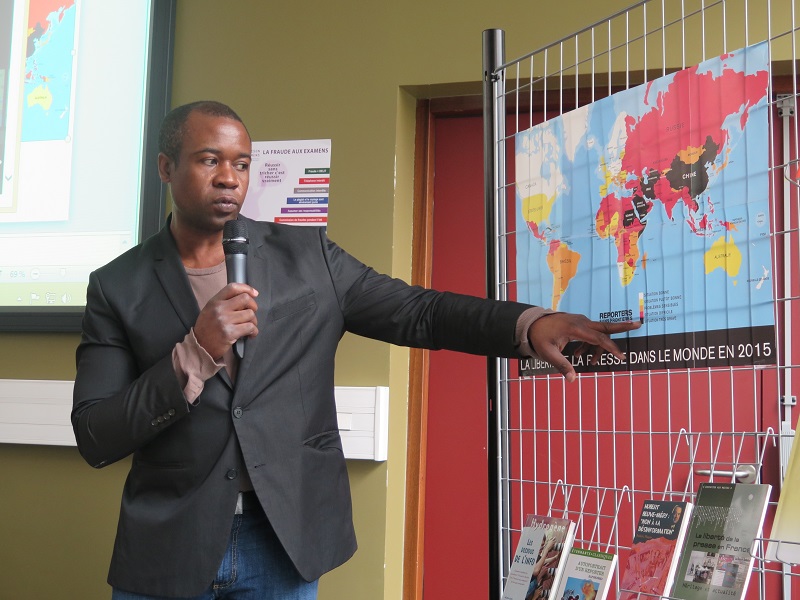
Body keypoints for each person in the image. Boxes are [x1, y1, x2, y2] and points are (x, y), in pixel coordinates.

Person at [72, 100, 639, 599]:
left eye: (241, 164)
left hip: (285, 539)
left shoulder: (307, 255)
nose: (229, 178)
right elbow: (97, 434)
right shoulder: (117, 286)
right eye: (208, 160)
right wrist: (196, 352)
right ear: (166, 167)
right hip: (170, 544)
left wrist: (528, 324)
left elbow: (420, 310)